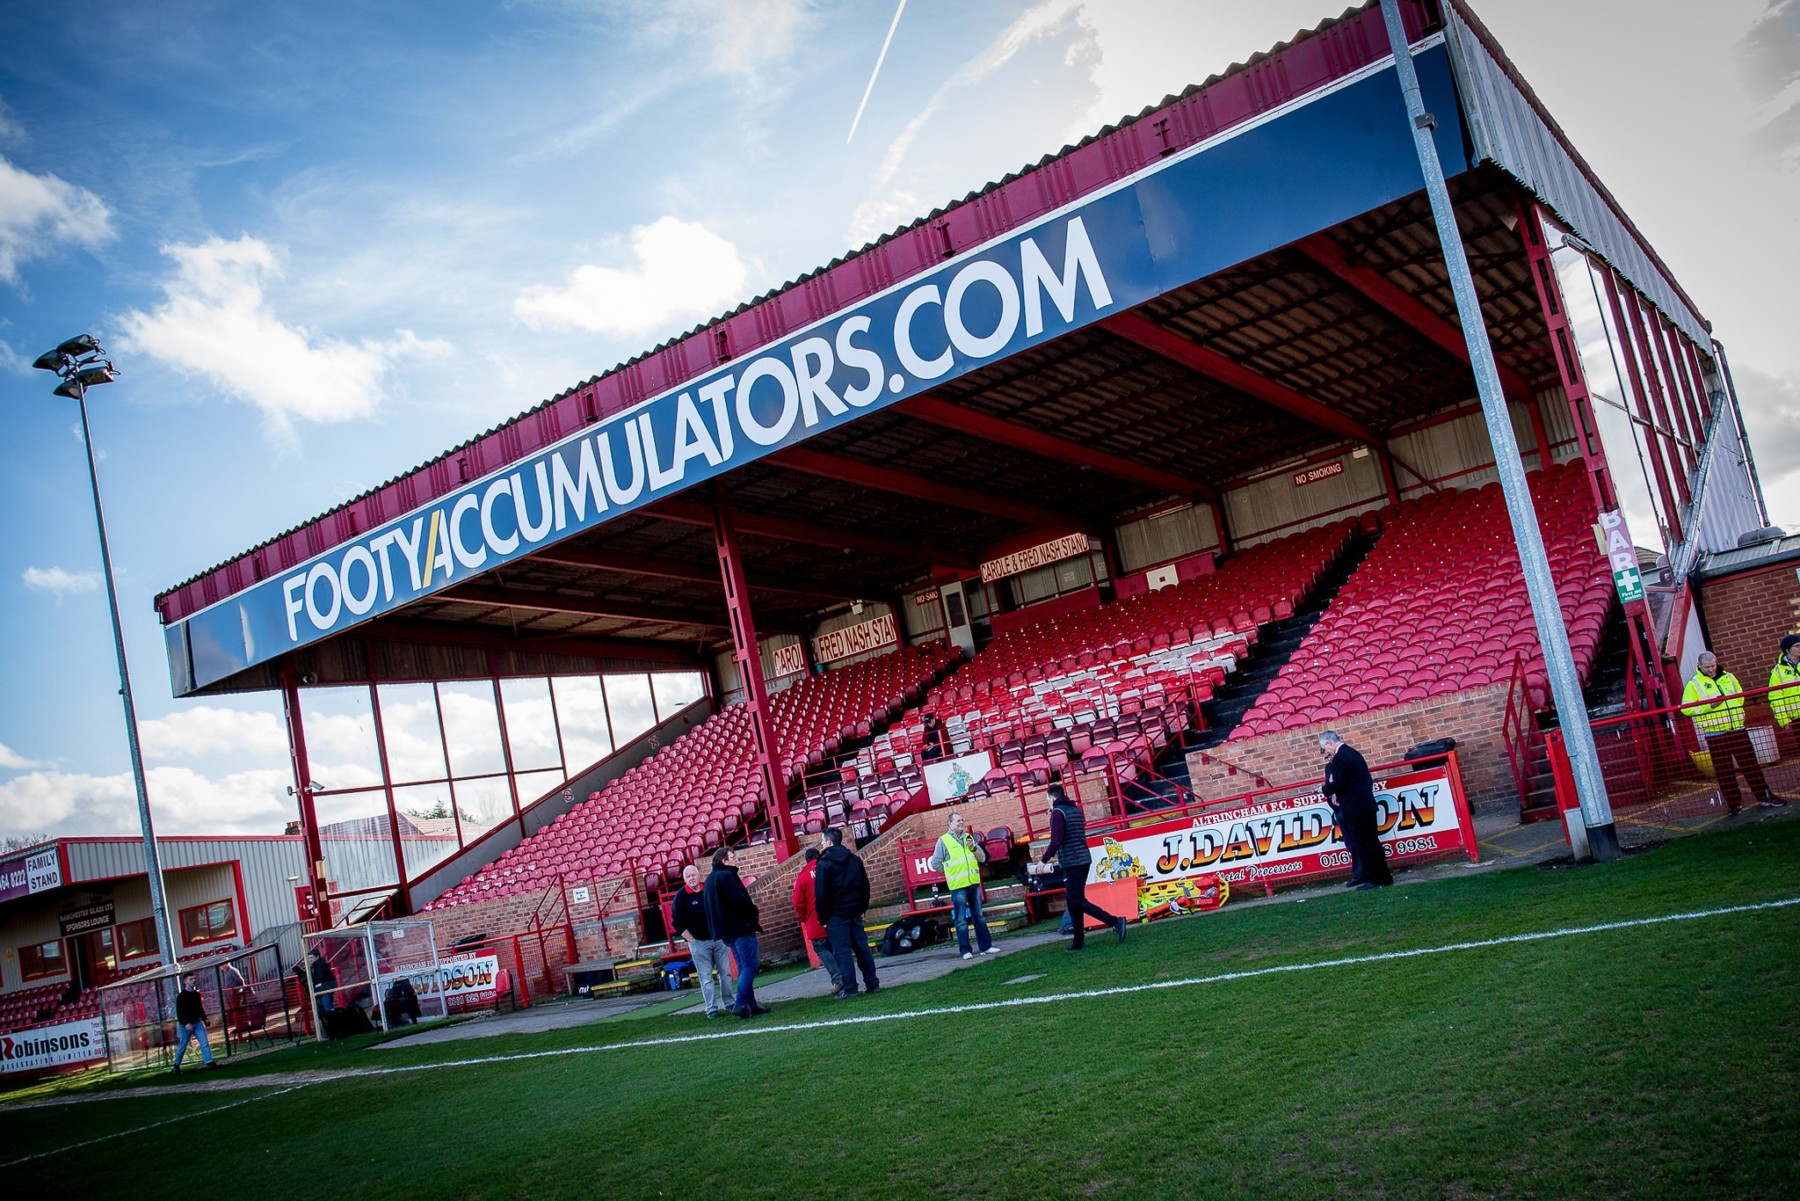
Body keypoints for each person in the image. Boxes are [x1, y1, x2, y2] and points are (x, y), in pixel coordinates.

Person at [1684, 652, 1786, 814]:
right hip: (1715, 734)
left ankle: (1764, 796)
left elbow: (1739, 697)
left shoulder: (1729, 677)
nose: (1711, 669)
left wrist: (1735, 714)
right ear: (1700, 666)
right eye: (1707, 667)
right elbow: (1686, 708)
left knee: (1751, 765)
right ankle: (1734, 803)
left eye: (1713, 666)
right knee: (1725, 772)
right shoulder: (1693, 684)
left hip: (1737, 729)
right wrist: (1710, 706)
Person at [1034, 784, 1128, 950]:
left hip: (1072, 861)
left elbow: (1056, 840)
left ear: (1052, 798)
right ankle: (1078, 941)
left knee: (1077, 901)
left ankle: (1115, 921)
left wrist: (1043, 860)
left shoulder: (1058, 812)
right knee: (1073, 902)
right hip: (1083, 858)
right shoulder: (1074, 809)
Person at [1319, 731, 1392, 889]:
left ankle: (1373, 878)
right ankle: (1383, 877)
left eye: (1324, 748)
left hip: (1356, 807)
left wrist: (1323, 790)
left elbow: (1338, 783)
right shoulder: (1351, 753)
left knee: (1365, 845)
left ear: (1328, 743)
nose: (1326, 752)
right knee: (1372, 843)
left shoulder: (1342, 757)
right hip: (1364, 805)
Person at [814, 828, 880, 999]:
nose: (821, 844)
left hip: (836, 915)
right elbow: (865, 886)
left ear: (829, 842)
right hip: (854, 911)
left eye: (822, 840)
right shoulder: (854, 859)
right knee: (862, 948)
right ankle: (872, 983)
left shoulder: (825, 863)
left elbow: (821, 893)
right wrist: (862, 908)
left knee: (842, 952)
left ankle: (850, 988)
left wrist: (823, 918)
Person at [703, 848, 767, 1018]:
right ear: (724, 860)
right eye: (732, 857)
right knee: (749, 966)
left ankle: (751, 1004)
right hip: (740, 928)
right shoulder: (727, 876)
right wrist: (752, 910)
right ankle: (740, 1003)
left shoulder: (710, 879)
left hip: (726, 932)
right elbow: (740, 900)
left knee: (743, 967)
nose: (734, 860)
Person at [671, 863, 736, 1017]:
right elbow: (677, 922)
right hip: (699, 943)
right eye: (688, 876)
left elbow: (723, 908)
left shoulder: (710, 888)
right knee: (706, 978)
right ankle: (711, 1009)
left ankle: (730, 1003)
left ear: (699, 875)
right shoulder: (681, 897)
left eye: (693, 875)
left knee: (725, 973)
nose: (691, 879)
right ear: (684, 879)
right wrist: (691, 940)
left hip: (719, 939)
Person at [928, 811, 995, 959]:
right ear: (950, 823)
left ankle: (986, 946)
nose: (961, 822)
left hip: (973, 883)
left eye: (962, 820)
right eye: (958, 820)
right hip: (958, 885)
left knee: (979, 917)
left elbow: (982, 858)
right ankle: (965, 950)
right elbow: (935, 863)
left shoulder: (968, 838)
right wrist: (950, 872)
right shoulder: (943, 841)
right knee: (961, 920)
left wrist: (973, 848)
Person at [790, 848, 843, 992]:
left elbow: (797, 903)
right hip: (835, 919)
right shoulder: (829, 870)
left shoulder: (802, 877)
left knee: (821, 949)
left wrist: (804, 919)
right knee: (838, 948)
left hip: (815, 921)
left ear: (806, 860)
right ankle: (847, 977)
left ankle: (838, 978)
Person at [171, 974, 218, 1074]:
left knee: (204, 1042)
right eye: (191, 979)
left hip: (196, 1022)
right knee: (183, 1045)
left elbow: (199, 1008)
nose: (193, 980)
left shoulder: (196, 995)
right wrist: (186, 1023)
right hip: (185, 1025)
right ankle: (176, 1065)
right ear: (185, 982)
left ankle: (209, 1062)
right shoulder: (181, 996)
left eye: (194, 978)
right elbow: (180, 1012)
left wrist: (205, 1019)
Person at [1769, 635, 1800, 753]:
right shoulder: (1778, 671)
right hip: (1797, 718)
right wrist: (1783, 719)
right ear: (1787, 650)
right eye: (1797, 646)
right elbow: (1775, 697)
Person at [308, 946, 338, 1016]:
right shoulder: (317, 965)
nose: (310, 960)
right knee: (328, 1007)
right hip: (325, 987)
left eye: (312, 957)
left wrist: (311, 976)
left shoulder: (320, 965)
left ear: (317, 956)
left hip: (325, 989)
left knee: (328, 1009)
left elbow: (319, 977)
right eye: (309, 958)